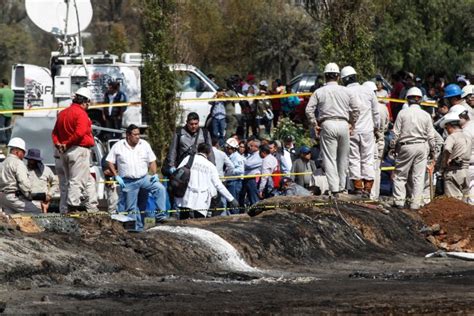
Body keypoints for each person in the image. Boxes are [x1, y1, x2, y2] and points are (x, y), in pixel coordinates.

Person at [305, 62, 360, 197]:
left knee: (329, 158)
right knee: (343, 158)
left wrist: (314, 124)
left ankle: (334, 189)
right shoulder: (346, 91)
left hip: (327, 124)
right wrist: (352, 123)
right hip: (343, 124)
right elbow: (357, 109)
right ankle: (341, 187)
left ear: (325, 76)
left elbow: (308, 110)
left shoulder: (319, 91)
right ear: (338, 77)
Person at [106, 124, 167, 230]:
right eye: (135, 134)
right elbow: (110, 161)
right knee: (131, 208)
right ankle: (135, 229)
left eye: (139, 134)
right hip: (128, 181)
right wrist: (116, 176)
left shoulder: (144, 144)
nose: (138, 137)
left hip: (144, 178)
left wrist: (154, 173)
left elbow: (152, 160)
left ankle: (160, 216)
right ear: (128, 135)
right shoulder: (118, 146)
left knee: (160, 188)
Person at [52, 87, 97, 212]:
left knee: (86, 181)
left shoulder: (62, 113)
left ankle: (91, 209)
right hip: (79, 150)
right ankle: (72, 210)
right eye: (88, 102)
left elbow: (54, 132)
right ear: (85, 101)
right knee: (76, 182)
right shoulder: (81, 113)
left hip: (65, 152)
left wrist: (59, 144)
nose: (89, 105)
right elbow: (80, 133)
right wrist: (66, 143)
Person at [390, 87, 436, 209]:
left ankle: (399, 202)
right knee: (418, 177)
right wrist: (432, 150)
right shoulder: (426, 115)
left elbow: (395, 133)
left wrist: (393, 147)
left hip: (406, 146)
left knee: (400, 175)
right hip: (422, 146)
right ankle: (415, 204)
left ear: (408, 100)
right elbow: (431, 135)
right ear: (420, 100)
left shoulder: (402, 113)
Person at [341, 66, 380, 196]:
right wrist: (376, 128)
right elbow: (376, 112)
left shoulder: (344, 92)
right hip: (368, 130)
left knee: (354, 158)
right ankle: (368, 188)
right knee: (367, 158)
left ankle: (358, 187)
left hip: (352, 130)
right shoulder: (368, 91)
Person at [176, 143, 239, 218]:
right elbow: (218, 184)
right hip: (201, 199)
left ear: (198, 150)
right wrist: (231, 199)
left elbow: (178, 172)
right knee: (199, 223)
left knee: (183, 221)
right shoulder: (210, 166)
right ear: (209, 153)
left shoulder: (188, 158)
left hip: (186, 196)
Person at [165, 112, 214, 176]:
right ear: (187, 122)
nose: (194, 126)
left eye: (196, 124)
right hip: (183, 167)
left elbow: (210, 151)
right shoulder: (179, 132)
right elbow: (173, 150)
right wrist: (171, 165)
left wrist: (212, 166)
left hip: (200, 167)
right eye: (191, 124)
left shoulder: (205, 133)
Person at [363, 81, 389, 200]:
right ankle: (374, 196)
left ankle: (366, 195)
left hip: (369, 141)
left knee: (366, 167)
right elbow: (387, 125)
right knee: (376, 169)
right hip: (380, 141)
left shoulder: (365, 106)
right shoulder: (383, 108)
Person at [0, 138, 39, 213]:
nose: (24, 155)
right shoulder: (18, 163)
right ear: (17, 152)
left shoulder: (2, 163)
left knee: (12, 219)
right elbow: (23, 182)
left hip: (3, 198)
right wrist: (29, 196)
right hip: (14, 198)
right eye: (23, 152)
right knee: (36, 212)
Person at [439, 114, 472, 201]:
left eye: (446, 128)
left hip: (454, 171)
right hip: (466, 171)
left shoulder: (452, 137)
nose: (447, 130)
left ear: (450, 126)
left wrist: (446, 161)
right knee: (465, 201)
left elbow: (447, 149)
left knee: (453, 201)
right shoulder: (468, 136)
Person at [25, 148, 58, 213]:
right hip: (26, 204)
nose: (30, 162)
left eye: (33, 160)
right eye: (29, 160)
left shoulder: (46, 170)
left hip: (41, 205)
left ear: (37, 160)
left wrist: (49, 195)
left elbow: (55, 183)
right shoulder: (23, 169)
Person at [224, 138, 245, 214]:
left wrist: (230, 171)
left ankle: (235, 216)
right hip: (231, 181)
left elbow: (240, 170)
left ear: (232, 148)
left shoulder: (237, 157)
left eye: (228, 148)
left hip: (235, 182)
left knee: (233, 201)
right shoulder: (231, 156)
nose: (226, 149)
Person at [239, 139, 262, 206]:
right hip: (247, 178)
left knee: (253, 197)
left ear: (256, 147)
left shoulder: (258, 155)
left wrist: (245, 163)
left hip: (252, 179)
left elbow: (248, 164)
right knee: (245, 197)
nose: (250, 147)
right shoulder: (251, 155)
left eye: (252, 146)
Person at [0, 79, 14, 144]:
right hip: (9, 112)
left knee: (1, 127)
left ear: (2, 83)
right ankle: (9, 141)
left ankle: (2, 141)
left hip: (2, 111)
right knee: (8, 128)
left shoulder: (1, 91)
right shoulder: (11, 92)